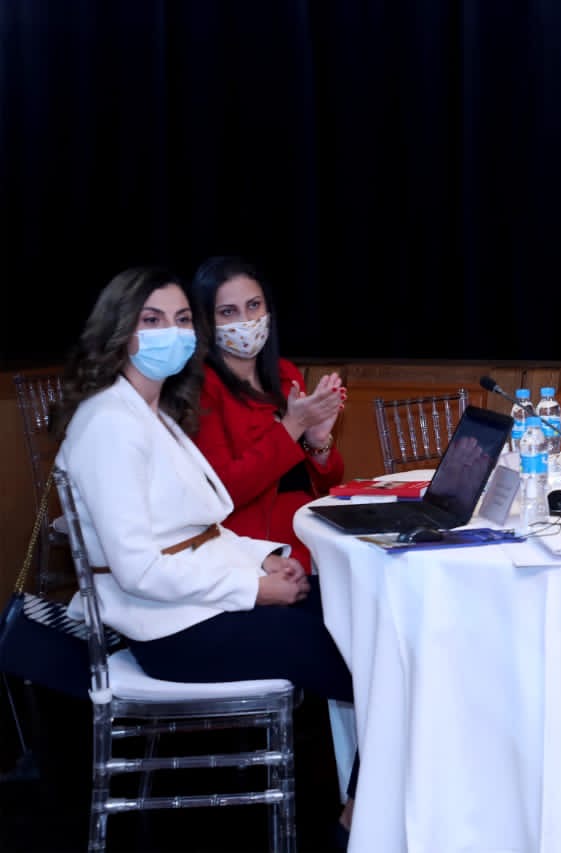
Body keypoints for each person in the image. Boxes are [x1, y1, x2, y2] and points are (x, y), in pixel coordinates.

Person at [54, 267, 356, 824]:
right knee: (372, 657)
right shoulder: (109, 424)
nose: (170, 333)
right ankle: (359, 817)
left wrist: (264, 560)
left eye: (180, 320)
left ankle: (362, 810)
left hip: (195, 608)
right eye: (151, 320)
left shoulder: (150, 413)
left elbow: (196, 529)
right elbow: (139, 569)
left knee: (364, 622)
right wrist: (253, 589)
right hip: (172, 631)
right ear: (120, 331)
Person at [191, 256, 345, 573]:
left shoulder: (285, 374)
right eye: (228, 312)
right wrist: (292, 426)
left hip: (311, 533)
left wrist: (318, 442)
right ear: (206, 320)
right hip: (256, 552)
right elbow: (223, 492)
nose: (246, 321)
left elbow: (326, 482)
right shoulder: (202, 388)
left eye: (254, 306)